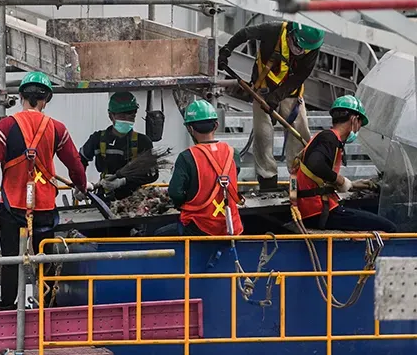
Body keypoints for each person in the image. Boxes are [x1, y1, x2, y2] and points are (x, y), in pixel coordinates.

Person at [0, 70, 88, 308]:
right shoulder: (57, 129)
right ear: (46, 99)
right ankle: (47, 309)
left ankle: (8, 307)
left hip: (12, 206)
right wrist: (81, 186)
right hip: (43, 207)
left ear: (21, 96)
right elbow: (75, 165)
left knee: (11, 260)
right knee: (44, 259)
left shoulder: (6, 126)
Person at [218, 20, 325, 190]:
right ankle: (268, 180)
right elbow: (245, 33)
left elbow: (300, 76)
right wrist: (227, 50)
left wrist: (276, 97)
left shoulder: (311, 47)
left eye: (304, 49)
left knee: (300, 134)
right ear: (291, 33)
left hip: (291, 93)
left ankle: (299, 180)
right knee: (263, 135)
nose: (300, 52)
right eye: (298, 46)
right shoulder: (272, 30)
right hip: (262, 89)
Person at [291, 95, 396, 232]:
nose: (359, 128)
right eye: (359, 123)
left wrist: (351, 184)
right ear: (353, 120)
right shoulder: (329, 138)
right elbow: (315, 164)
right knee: (389, 228)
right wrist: (340, 181)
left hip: (314, 209)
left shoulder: (325, 138)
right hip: (319, 211)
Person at [159, 100, 243, 237]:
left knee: (158, 234)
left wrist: (183, 203)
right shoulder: (233, 153)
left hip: (199, 227)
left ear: (190, 129)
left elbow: (175, 192)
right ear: (216, 125)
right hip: (231, 227)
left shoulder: (187, 157)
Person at [78, 91, 158, 200]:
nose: (127, 119)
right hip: (104, 198)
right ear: (111, 116)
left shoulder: (143, 142)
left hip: (134, 200)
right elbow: (79, 160)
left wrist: (123, 181)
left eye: (131, 115)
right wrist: (81, 184)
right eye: (122, 115)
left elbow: (152, 174)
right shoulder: (97, 139)